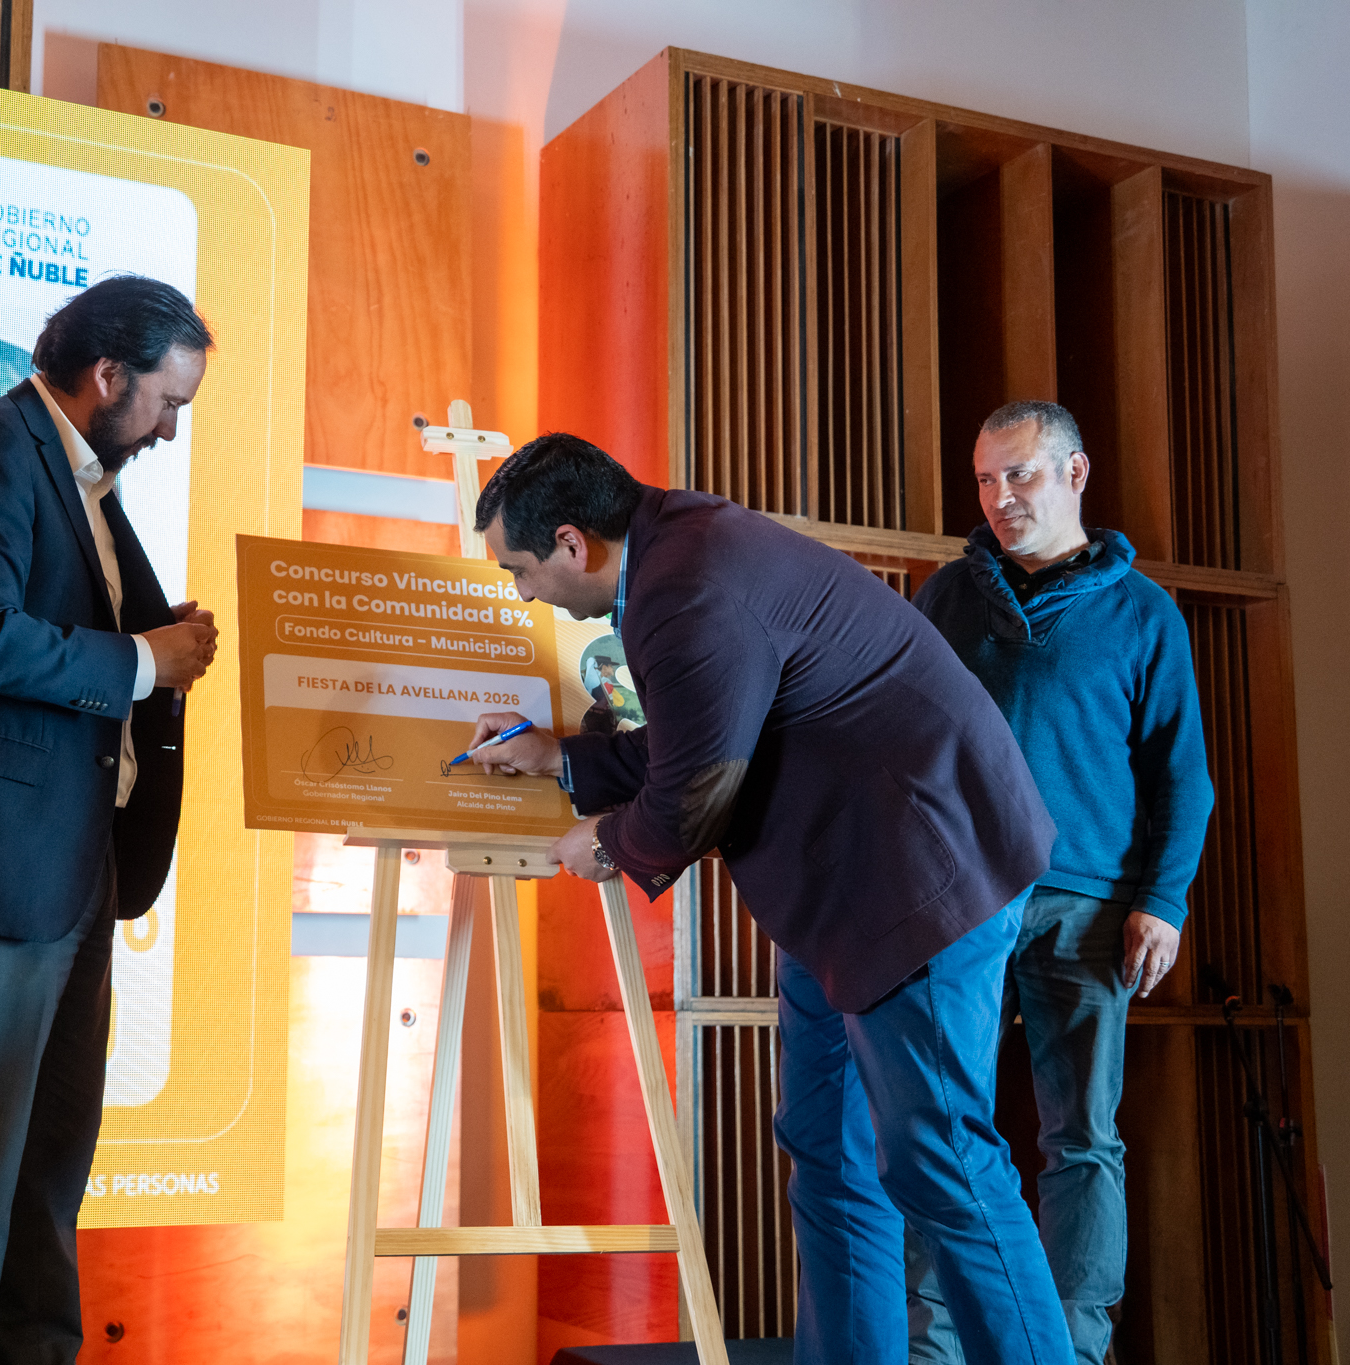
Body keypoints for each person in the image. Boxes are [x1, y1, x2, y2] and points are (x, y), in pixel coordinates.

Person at [464, 433, 1072, 1365]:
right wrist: (561, 757)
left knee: (944, 1158)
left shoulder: (685, 584)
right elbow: (707, 729)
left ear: (572, 543)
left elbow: (696, 789)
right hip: (841, 893)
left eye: (519, 570)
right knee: (828, 1152)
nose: (523, 593)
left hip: (919, 878)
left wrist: (611, 841)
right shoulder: (674, 554)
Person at [0, 273, 221, 1362]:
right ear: (107, 374)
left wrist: (153, 638)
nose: (170, 428)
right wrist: (143, 659)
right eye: (167, 401)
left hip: (73, 866)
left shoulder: (84, 477)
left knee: (48, 1169)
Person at [905, 400, 1214, 1365]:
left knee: (1082, 1137)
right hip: (962, 898)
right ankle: (933, 1348)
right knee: (942, 1128)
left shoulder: (1144, 612)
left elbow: (1183, 775)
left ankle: (1074, 1350)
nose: (1000, 496)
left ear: (1075, 475)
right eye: (985, 479)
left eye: (1020, 474)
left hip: (1090, 907)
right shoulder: (944, 598)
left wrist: (1162, 903)